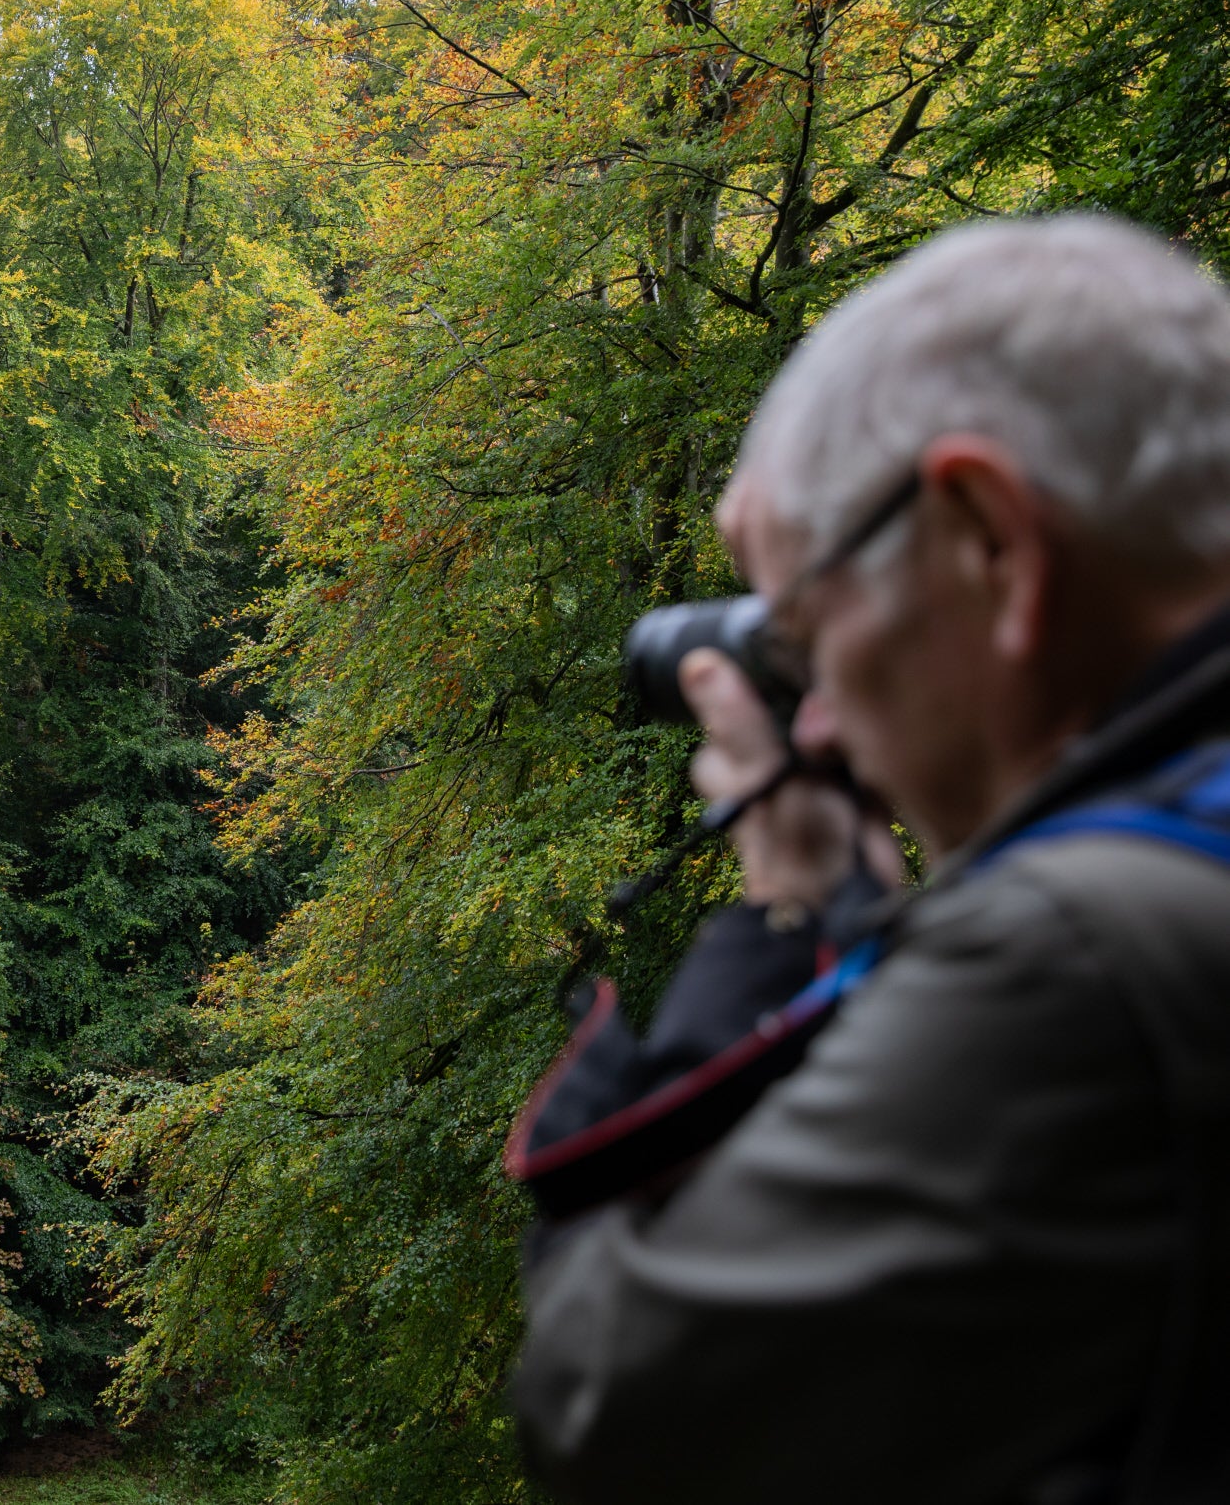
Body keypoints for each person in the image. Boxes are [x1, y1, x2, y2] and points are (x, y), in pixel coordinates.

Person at [509, 215, 1230, 1503]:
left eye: (811, 632)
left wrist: (781, 917)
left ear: (992, 543)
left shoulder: (1083, 957)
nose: (823, 720)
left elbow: (614, 1408)